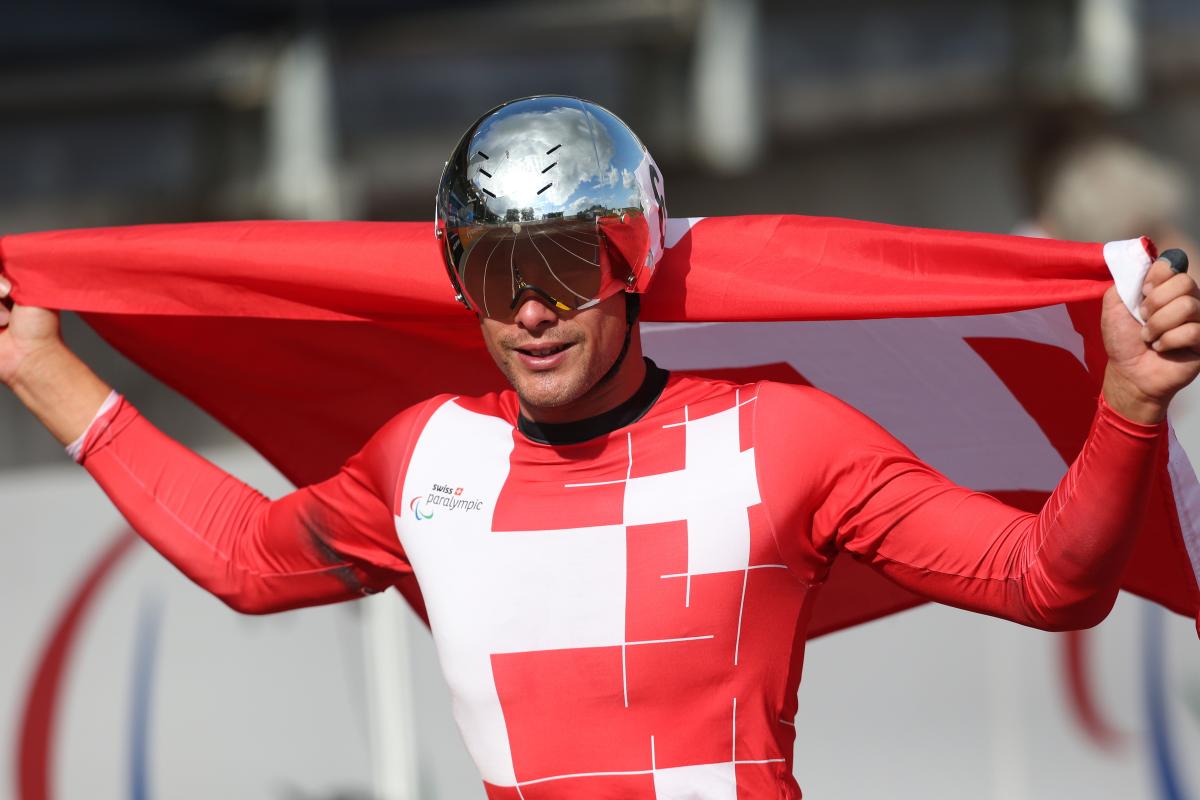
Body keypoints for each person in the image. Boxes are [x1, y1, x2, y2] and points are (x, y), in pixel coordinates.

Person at [1, 95, 1197, 799]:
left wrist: (1129, 405)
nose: (530, 312)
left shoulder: (783, 438)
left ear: (635, 268)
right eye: (494, 271)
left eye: (567, 269)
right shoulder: (426, 459)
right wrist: (43, 368)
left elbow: (1051, 581)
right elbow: (249, 561)